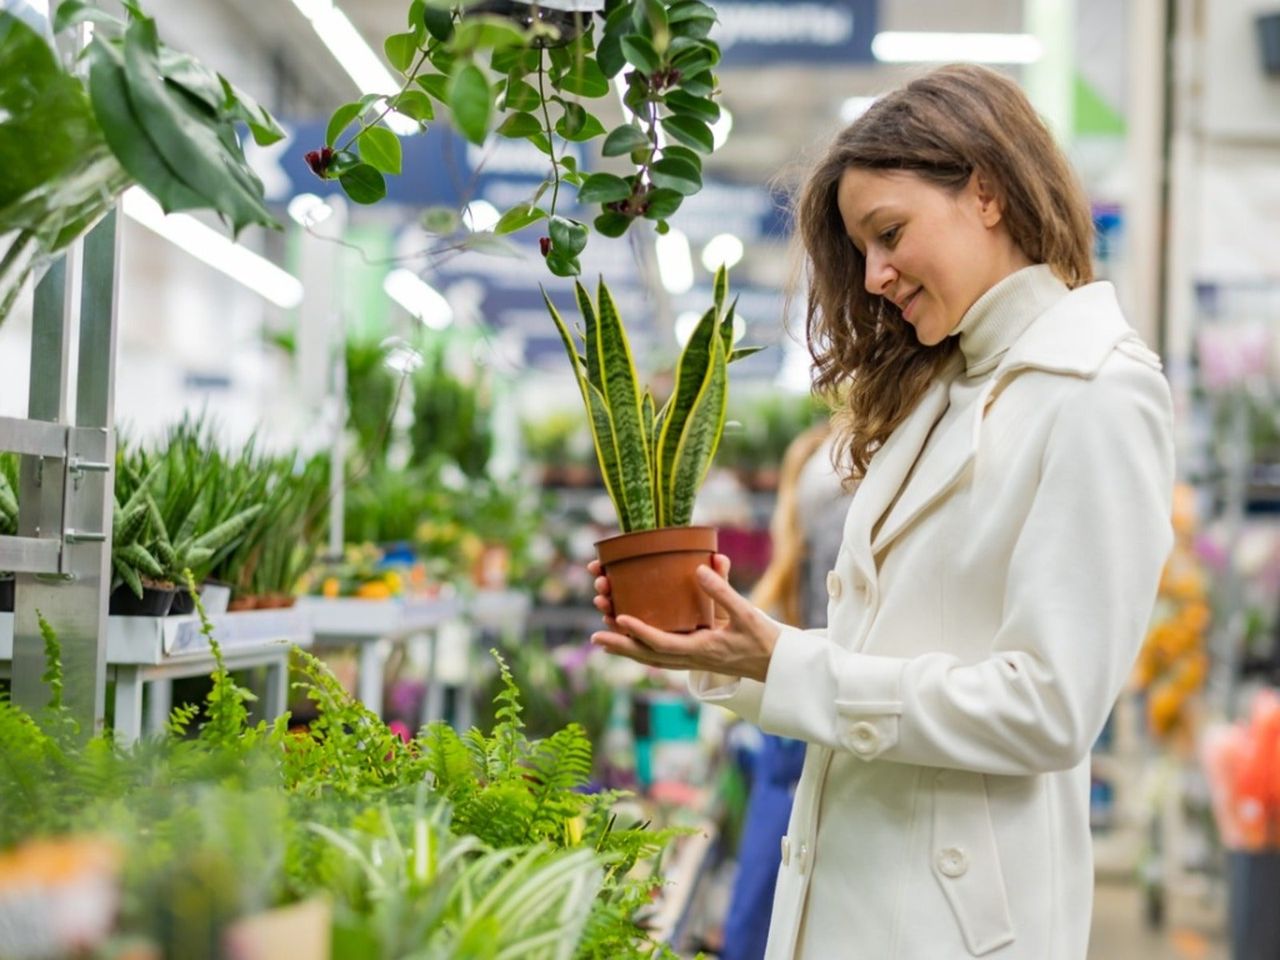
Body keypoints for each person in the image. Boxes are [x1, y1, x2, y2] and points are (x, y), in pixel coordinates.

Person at [588, 63, 1175, 959]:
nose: (873, 275)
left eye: (889, 233)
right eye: (862, 248)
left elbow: (1050, 709)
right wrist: (725, 651)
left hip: (950, 924)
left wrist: (789, 663)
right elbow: (878, 661)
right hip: (858, 892)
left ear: (985, 191)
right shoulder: (944, 389)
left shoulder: (1097, 390)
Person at [721, 423, 853, 960]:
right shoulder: (837, 498)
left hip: (807, 723)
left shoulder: (814, 520)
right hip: (818, 717)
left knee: (765, 903)